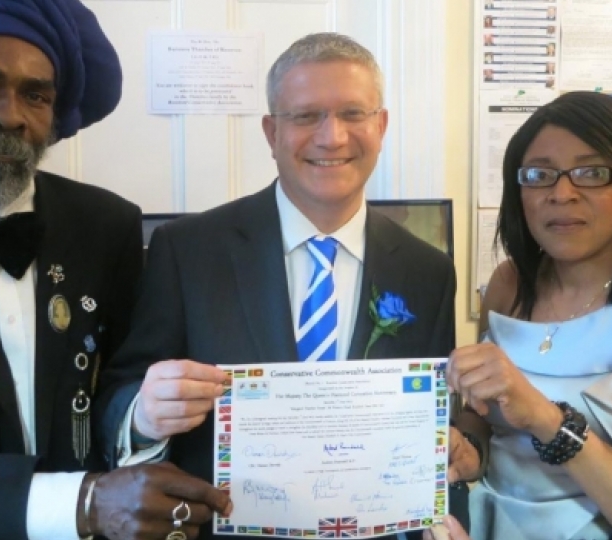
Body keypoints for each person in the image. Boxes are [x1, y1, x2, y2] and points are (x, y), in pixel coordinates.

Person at [95, 32, 485, 540]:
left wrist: (442, 487)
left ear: (381, 125)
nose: (332, 137)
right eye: (305, 116)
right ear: (270, 132)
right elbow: (116, 398)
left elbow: (426, 419)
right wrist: (142, 414)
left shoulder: (428, 271)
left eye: (353, 114)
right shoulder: (187, 250)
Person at [0, 0, 230, 539]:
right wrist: (83, 503)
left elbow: (117, 383)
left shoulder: (107, 224)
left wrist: (140, 417)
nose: (10, 114)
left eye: (36, 94)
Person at [450, 91, 612, 539]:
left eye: (591, 173)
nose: (561, 194)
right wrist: (469, 445)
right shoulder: (509, 285)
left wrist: (549, 421)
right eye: (540, 175)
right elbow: (485, 418)